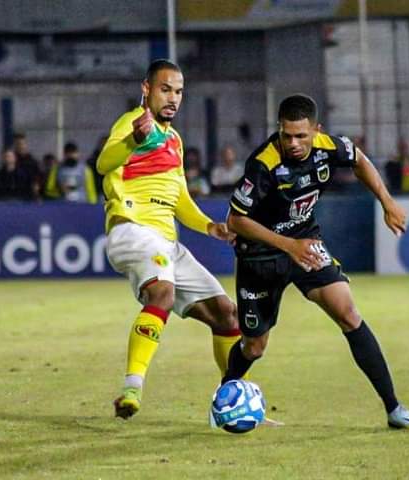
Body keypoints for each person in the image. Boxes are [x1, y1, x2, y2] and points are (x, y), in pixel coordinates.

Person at [223, 94, 409, 429]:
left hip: (306, 242)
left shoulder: (329, 146)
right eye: (287, 135)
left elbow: (359, 159)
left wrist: (386, 201)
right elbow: (236, 220)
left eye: (301, 135)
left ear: (316, 130)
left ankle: (394, 408)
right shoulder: (264, 163)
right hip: (260, 256)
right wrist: (288, 245)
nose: (293, 143)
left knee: (348, 313)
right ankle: (224, 398)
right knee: (254, 346)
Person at [96, 59, 256, 422]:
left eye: (179, 91)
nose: (173, 98)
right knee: (162, 295)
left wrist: (209, 226)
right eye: (165, 89)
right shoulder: (132, 123)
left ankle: (230, 401)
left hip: (166, 242)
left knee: (226, 313)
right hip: (133, 228)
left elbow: (180, 198)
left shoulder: (174, 140)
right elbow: (104, 163)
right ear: (147, 89)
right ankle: (132, 388)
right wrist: (135, 138)